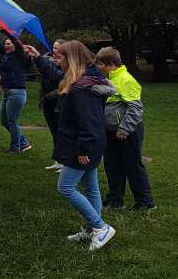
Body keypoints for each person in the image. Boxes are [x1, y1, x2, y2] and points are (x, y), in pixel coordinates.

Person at [27, 41, 118, 251]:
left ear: (72, 59)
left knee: (65, 187)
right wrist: (38, 58)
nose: (56, 60)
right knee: (91, 186)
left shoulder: (81, 89)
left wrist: (84, 150)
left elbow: (90, 122)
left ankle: (100, 227)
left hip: (83, 144)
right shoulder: (83, 78)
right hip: (88, 143)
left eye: (60, 57)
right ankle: (90, 229)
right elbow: (58, 76)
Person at [95, 47, 155, 211]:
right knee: (112, 165)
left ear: (111, 64)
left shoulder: (126, 79)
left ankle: (145, 202)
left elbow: (135, 108)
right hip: (110, 131)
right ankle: (115, 199)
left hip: (127, 132)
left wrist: (124, 129)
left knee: (132, 165)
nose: (98, 67)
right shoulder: (108, 78)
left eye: (101, 64)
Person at [0, 29, 32, 153]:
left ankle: (15, 148)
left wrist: (5, 30)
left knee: (12, 120)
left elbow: (17, 43)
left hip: (17, 92)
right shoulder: (5, 55)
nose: (7, 44)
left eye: (9, 43)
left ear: (14, 45)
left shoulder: (19, 56)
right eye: (6, 43)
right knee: (4, 120)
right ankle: (23, 142)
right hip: (6, 92)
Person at [40, 40, 65, 171]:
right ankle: (58, 160)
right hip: (47, 101)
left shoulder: (64, 65)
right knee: (54, 131)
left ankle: (65, 162)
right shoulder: (47, 60)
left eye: (57, 48)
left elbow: (58, 78)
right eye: (53, 47)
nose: (54, 50)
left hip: (59, 102)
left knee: (61, 132)